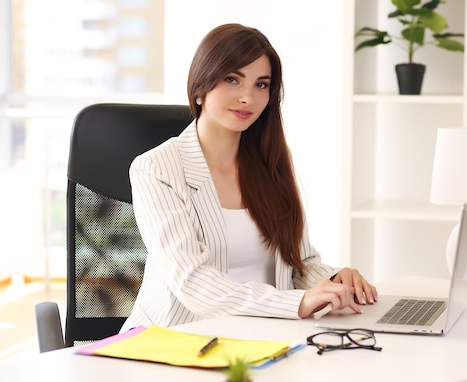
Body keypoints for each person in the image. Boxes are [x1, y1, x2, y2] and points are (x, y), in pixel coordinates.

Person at [121, 23, 377, 330]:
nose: (247, 97)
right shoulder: (156, 169)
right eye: (233, 79)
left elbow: (299, 263)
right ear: (200, 86)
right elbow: (192, 282)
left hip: (262, 335)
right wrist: (297, 302)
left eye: (261, 84)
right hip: (175, 339)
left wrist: (332, 281)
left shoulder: (271, 163)